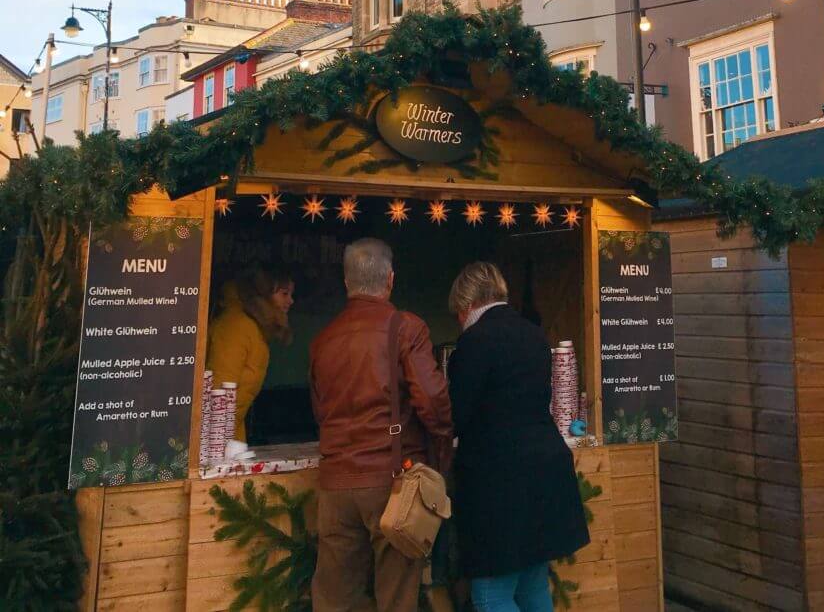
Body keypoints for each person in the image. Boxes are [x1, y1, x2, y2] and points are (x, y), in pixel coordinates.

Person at [309, 238, 453, 612]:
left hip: (335, 486)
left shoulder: (323, 340)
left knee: (335, 601)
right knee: (397, 601)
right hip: (392, 485)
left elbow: (320, 411)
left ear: (347, 283)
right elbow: (433, 402)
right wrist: (440, 455)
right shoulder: (406, 328)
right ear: (390, 279)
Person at [447, 262, 589, 612]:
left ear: (466, 305)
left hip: (499, 488)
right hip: (545, 474)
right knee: (532, 587)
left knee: (490, 595)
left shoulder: (473, 343)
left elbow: (457, 417)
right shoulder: (534, 335)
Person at [207, 266, 294, 441]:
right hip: (215, 438)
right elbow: (219, 394)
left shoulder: (254, 328)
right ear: (263, 295)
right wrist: (218, 445)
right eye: (284, 294)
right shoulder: (236, 327)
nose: (291, 301)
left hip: (228, 434)